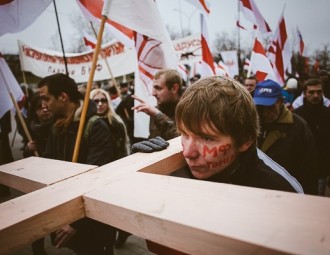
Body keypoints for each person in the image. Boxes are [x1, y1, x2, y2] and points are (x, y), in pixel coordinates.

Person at [146, 76, 303, 255]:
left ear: (245, 139)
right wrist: (151, 171)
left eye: (206, 138)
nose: (188, 153)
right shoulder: (182, 168)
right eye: (184, 134)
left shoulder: (281, 196)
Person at [38, 73, 116, 255]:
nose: (43, 105)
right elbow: (49, 168)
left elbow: (97, 180)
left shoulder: (95, 126)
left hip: (92, 223)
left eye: (45, 98)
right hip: (68, 216)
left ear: (63, 97)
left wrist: (75, 222)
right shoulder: (57, 127)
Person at [253, 79, 317, 195]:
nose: (265, 113)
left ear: (281, 101)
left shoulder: (298, 127)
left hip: (286, 193)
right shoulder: (250, 123)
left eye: (271, 107)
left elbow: (308, 169)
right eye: (260, 107)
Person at [294, 78, 330, 196]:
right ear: (304, 94)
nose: (315, 95)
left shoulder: (327, 114)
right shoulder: (296, 115)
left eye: (319, 92)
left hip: (322, 169)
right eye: (311, 92)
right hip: (300, 168)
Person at [132, 68, 182, 141]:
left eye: (158, 88)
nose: (153, 93)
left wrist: (158, 116)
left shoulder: (189, 109)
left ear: (174, 88)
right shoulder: (156, 111)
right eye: (153, 88)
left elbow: (180, 139)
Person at [90, 88, 130, 160]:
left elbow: (122, 148)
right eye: (96, 101)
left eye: (103, 100)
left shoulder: (116, 122)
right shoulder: (88, 124)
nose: (100, 104)